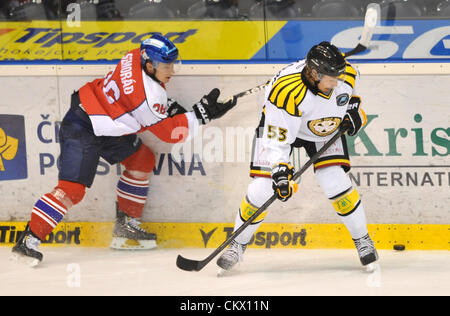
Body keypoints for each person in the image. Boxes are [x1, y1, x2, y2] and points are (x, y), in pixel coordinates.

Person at [11, 34, 237, 266]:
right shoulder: (149, 97)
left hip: (105, 119)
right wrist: (201, 115)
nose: (173, 71)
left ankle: (125, 226)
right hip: (83, 125)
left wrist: (183, 111)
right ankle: (29, 239)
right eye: (168, 65)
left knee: (142, 160)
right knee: (72, 190)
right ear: (150, 65)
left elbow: (150, 105)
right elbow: (170, 133)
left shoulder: (133, 56)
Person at [216, 41, 378, 272]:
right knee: (262, 188)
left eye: (339, 77)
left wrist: (355, 113)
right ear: (313, 73)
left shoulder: (346, 75)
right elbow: (277, 140)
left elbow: (352, 98)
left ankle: (362, 239)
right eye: (331, 78)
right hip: (281, 127)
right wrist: (281, 173)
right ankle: (237, 244)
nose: (337, 83)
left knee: (335, 181)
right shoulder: (284, 91)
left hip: (323, 128)